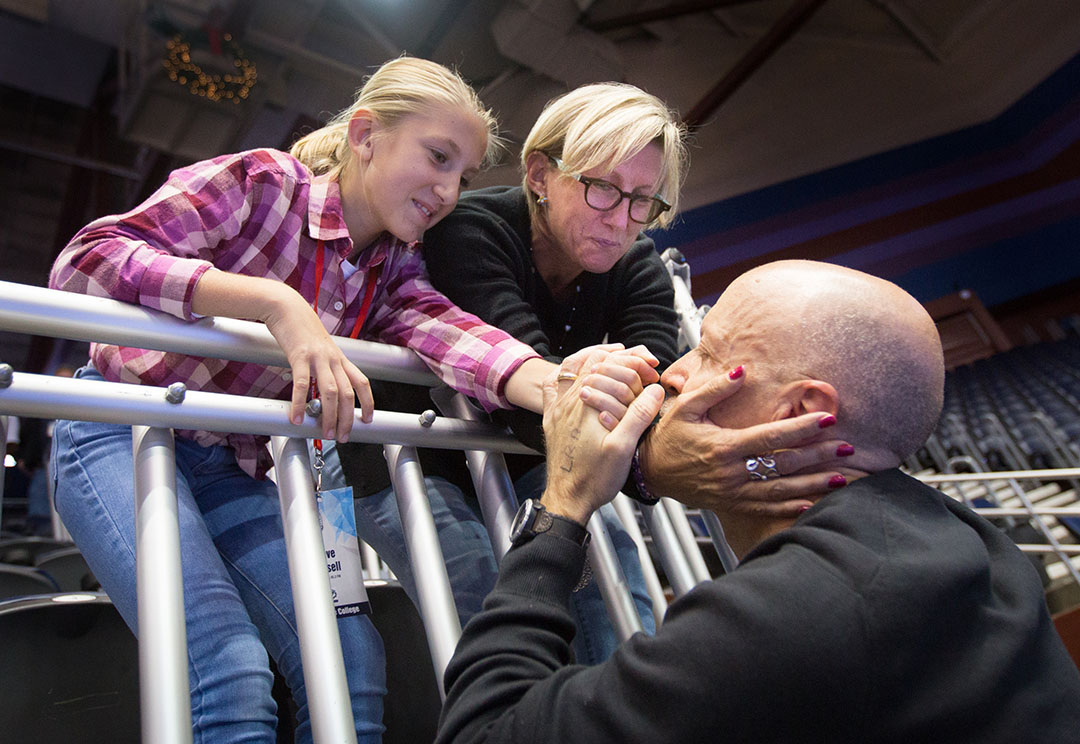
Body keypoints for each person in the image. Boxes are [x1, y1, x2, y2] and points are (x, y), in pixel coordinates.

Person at [46, 56, 630, 743]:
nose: (447, 190)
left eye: (463, 177)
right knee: (227, 672)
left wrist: (561, 383)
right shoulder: (261, 182)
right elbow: (85, 259)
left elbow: (456, 337)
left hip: (228, 465)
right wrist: (273, 304)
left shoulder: (393, 267)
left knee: (353, 662)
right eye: (437, 157)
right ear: (364, 136)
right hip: (121, 428)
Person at [436, 259, 1080, 744]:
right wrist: (654, 469)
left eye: (710, 353)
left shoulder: (793, 611)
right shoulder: (962, 537)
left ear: (801, 413)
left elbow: (483, 732)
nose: (672, 372)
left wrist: (565, 503)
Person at [337, 83, 850, 662]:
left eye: (643, 200)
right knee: (483, 605)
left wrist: (659, 449)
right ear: (539, 174)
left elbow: (655, 399)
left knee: (615, 597)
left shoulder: (639, 267)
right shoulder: (468, 229)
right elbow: (529, 394)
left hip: (540, 457)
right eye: (602, 189)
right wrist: (675, 463)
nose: (622, 220)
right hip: (410, 459)